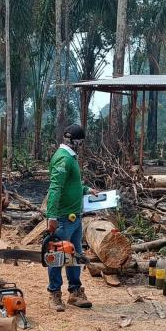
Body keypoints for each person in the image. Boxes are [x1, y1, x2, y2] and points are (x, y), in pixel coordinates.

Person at [46, 124, 99, 312]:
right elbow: (55, 188)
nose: (81, 145)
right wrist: (51, 216)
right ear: (76, 141)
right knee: (57, 256)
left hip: (74, 216)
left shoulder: (70, 158)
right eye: (80, 142)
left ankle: (75, 291)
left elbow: (71, 183)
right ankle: (54, 293)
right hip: (62, 218)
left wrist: (86, 190)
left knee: (75, 255)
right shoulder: (63, 159)